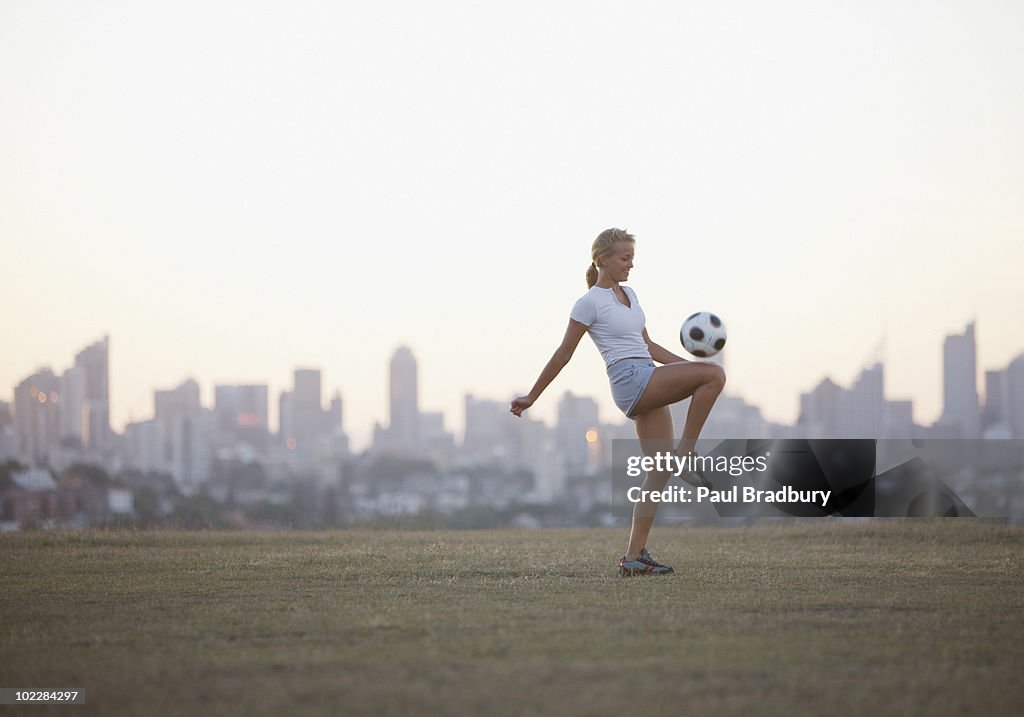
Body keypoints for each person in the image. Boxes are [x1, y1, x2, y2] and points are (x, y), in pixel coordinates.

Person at [510, 228, 726, 575]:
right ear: (603, 260)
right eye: (625, 258)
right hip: (630, 381)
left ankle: (633, 557)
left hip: (647, 377)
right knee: (715, 375)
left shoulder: (630, 295)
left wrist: (687, 368)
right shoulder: (588, 303)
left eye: (632, 258)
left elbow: (648, 347)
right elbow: (563, 354)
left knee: (658, 471)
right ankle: (685, 454)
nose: (630, 265)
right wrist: (532, 396)